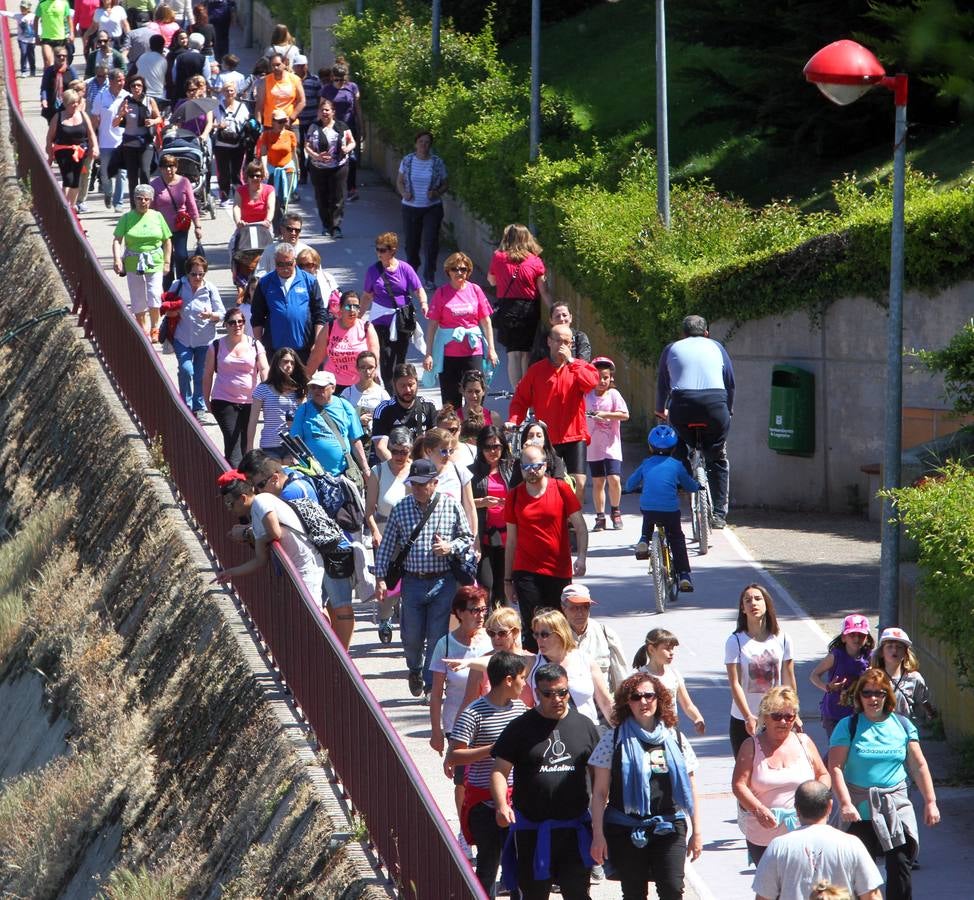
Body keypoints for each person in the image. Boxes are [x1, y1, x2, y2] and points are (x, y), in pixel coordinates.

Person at [490, 662, 600, 900]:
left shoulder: (585, 726)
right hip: (533, 830)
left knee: (578, 894)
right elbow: (499, 770)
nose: (557, 698)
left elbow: (598, 774)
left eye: (562, 692)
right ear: (537, 693)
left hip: (574, 829)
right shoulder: (520, 727)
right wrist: (501, 805)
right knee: (533, 896)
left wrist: (600, 815)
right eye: (548, 694)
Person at [589, 671, 702, 900]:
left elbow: (691, 787)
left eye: (649, 696)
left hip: (670, 826)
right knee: (633, 893)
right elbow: (600, 793)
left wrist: (697, 832)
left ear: (659, 698)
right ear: (626, 702)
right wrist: (598, 835)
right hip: (626, 828)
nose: (643, 702)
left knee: (672, 889)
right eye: (635, 697)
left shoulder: (675, 738)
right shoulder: (612, 739)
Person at [828, 669, 940, 900]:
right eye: (867, 693)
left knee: (900, 864)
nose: (873, 699)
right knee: (859, 872)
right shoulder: (847, 726)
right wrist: (846, 803)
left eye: (879, 693)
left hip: (894, 805)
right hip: (858, 809)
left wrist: (931, 802)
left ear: (887, 696)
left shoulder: (902, 725)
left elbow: (919, 766)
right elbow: (836, 767)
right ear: (859, 697)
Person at [374, 458, 474, 700]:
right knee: (411, 635)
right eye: (414, 484)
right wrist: (380, 579)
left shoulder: (451, 506)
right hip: (413, 582)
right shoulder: (401, 508)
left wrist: (449, 547)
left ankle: (431, 685)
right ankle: (415, 669)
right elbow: (387, 546)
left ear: (434, 483)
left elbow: (467, 538)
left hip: (443, 581)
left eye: (422, 484)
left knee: (437, 634)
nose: (418, 489)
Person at [448, 650, 529, 897]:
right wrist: (493, 750)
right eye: (522, 678)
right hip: (485, 805)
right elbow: (454, 755)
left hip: (518, 801)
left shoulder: (520, 709)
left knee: (519, 867)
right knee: (488, 867)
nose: (524, 684)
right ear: (508, 680)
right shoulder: (474, 713)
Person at [732, 686, 830, 865]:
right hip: (764, 835)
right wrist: (758, 809)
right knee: (773, 890)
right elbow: (739, 785)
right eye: (777, 716)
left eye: (789, 716)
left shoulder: (804, 742)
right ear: (765, 717)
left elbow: (823, 774)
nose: (783, 722)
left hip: (804, 831)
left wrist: (818, 796)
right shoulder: (750, 746)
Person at [429, 586, 493, 859]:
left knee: (488, 777)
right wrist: (435, 732)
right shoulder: (445, 644)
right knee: (462, 782)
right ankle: (465, 832)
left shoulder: (491, 642)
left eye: (483, 610)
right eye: (473, 610)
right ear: (458, 613)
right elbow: (435, 694)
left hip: (488, 719)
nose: (480, 616)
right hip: (457, 722)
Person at [655, 313, 735, 528]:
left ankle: (680, 480)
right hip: (716, 407)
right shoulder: (717, 347)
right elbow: (730, 383)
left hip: (682, 406)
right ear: (706, 333)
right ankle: (719, 515)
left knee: (679, 440)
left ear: (683, 334)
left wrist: (659, 409)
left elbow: (663, 383)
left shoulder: (672, 348)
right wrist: (729, 409)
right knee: (717, 459)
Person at [504, 443, 587, 650]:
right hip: (526, 571)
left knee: (558, 626)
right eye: (525, 467)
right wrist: (508, 579)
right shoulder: (514, 496)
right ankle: (534, 676)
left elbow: (580, 525)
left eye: (535, 466)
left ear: (545, 465)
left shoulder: (560, 488)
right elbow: (511, 541)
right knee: (533, 627)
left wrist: (582, 557)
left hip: (557, 570)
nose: (531, 471)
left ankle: (558, 672)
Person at [214, 471, 327, 621]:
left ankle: (327, 642)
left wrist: (259, 540)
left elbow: (275, 533)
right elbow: (261, 560)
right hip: (298, 566)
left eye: (230, 503)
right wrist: (231, 572)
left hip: (306, 565)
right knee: (310, 614)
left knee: (312, 616)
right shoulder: (255, 515)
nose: (229, 509)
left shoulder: (262, 501)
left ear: (242, 498)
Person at [508, 323, 599, 506]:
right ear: (549, 342)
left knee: (578, 483)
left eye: (567, 342)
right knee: (549, 482)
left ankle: (574, 524)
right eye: (559, 341)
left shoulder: (579, 367)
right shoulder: (537, 370)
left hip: (574, 435)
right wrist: (513, 421)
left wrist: (571, 362)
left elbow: (591, 384)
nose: (563, 346)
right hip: (547, 437)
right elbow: (520, 400)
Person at [752, 780, 882, 900]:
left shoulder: (779, 846)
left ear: (797, 809)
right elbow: (872, 895)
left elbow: (763, 896)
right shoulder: (851, 844)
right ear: (830, 806)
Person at [725, 583, 799, 758]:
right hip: (744, 717)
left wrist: (794, 712)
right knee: (747, 772)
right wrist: (747, 716)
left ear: (767, 604)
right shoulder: (735, 641)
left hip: (776, 715)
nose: (753, 604)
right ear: (742, 608)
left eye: (758, 599)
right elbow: (735, 683)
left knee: (776, 766)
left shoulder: (782, 638)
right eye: (748, 600)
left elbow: (788, 677)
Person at [625, 424, 698, 592]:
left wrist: (627, 490)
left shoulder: (646, 464)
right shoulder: (677, 465)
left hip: (649, 508)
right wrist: (697, 487)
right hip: (670, 511)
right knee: (677, 538)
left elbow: (630, 483)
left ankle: (644, 539)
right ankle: (685, 575)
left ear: (650, 446)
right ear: (674, 447)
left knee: (648, 513)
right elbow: (689, 484)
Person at [423, 251, 498, 409]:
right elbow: (432, 325)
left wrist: (491, 348)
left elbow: (486, 321)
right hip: (449, 354)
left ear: (468, 271)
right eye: (455, 269)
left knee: (476, 396)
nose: (459, 272)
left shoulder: (475, 290)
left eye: (463, 269)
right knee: (451, 402)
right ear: (448, 271)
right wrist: (428, 353)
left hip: (473, 351)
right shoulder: (441, 293)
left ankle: (475, 429)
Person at [488, 223, 553, 387]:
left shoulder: (499, 257)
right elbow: (543, 290)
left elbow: (492, 280)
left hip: (507, 308)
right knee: (526, 353)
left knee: (513, 354)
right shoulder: (536, 261)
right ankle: (526, 390)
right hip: (529, 308)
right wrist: (554, 310)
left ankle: (516, 395)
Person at [362, 231, 428, 391]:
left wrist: (424, 304)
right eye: (377, 249)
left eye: (383, 250)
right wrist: (358, 317)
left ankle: (400, 390)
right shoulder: (373, 271)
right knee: (385, 358)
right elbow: (367, 296)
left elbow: (418, 289)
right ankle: (391, 393)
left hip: (402, 320)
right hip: (380, 321)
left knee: (400, 358)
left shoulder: (405, 269)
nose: (379, 253)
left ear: (392, 250)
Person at [202, 307, 268, 465]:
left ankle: (242, 481)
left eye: (240, 322)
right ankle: (236, 485)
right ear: (225, 325)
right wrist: (206, 400)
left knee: (246, 444)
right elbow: (208, 374)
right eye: (232, 322)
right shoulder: (216, 346)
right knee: (233, 443)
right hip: (223, 400)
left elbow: (264, 368)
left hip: (250, 402)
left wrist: (266, 392)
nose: (237, 325)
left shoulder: (255, 345)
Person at [164, 254, 224, 422]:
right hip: (182, 338)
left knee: (200, 375)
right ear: (187, 274)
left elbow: (222, 313)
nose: (197, 278)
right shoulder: (178, 285)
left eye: (201, 274)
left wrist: (210, 315)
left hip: (205, 340)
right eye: (193, 274)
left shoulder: (210, 289)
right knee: (186, 370)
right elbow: (166, 306)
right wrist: (171, 311)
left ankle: (199, 407)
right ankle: (185, 405)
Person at [250, 242, 327, 365]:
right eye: (281, 264)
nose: (285, 268)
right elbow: (257, 317)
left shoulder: (309, 281)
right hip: (274, 350)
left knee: (302, 384)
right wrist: (259, 347)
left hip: (304, 349)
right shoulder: (265, 282)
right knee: (277, 384)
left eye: (289, 264)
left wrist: (317, 343)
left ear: (295, 261)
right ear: (275, 262)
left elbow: (320, 314)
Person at [112, 182, 171, 337]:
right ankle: (142, 329)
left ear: (151, 201)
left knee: (154, 293)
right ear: (134, 200)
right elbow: (117, 239)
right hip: (133, 262)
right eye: (139, 198)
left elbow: (167, 241)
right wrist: (118, 259)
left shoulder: (157, 216)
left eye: (146, 199)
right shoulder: (126, 218)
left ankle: (155, 327)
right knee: (137, 296)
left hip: (155, 261)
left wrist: (167, 262)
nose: (143, 202)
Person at [290, 370, 369, 479]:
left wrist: (365, 469)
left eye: (321, 387)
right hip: (313, 475)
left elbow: (355, 441)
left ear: (333, 388)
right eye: (313, 387)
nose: (317, 391)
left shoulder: (345, 406)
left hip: (343, 474)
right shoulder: (303, 410)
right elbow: (295, 441)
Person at [397, 130, 447, 291]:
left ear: (430, 145)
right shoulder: (408, 161)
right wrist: (404, 193)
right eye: (421, 142)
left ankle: (429, 277)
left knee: (431, 241)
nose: (424, 145)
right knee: (412, 244)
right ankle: (412, 273)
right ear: (416, 144)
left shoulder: (437, 162)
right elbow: (400, 181)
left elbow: (446, 183)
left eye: (427, 143)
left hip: (432, 207)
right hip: (411, 207)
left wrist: (437, 192)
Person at [469, 425, 513, 607]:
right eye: (487, 447)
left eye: (496, 446)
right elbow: (463, 503)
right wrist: (482, 502)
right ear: (481, 448)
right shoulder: (471, 472)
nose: (492, 451)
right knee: (486, 586)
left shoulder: (513, 468)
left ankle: (503, 627)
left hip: (509, 537)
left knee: (505, 586)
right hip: (484, 536)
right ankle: (486, 625)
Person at [632, 628, 706, 735]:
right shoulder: (640, 677)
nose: (671, 653)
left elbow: (688, 705)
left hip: (671, 731)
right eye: (666, 649)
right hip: (649, 733)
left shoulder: (674, 675)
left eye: (672, 649)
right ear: (652, 649)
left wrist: (698, 718)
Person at [810, 614, 874, 738]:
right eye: (852, 635)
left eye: (861, 635)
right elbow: (814, 675)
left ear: (867, 638)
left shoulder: (869, 657)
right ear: (844, 637)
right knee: (837, 747)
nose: (856, 639)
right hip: (834, 712)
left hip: (859, 712)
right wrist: (827, 687)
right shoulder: (836, 656)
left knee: (854, 748)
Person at [560, 583, 628, 697]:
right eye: (574, 608)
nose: (580, 613)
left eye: (585, 607)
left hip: (601, 705)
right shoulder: (554, 636)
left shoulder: (605, 633)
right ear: (563, 608)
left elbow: (620, 675)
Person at [585, 356, 629, 531]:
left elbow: (625, 415)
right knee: (598, 482)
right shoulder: (586, 396)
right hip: (593, 447)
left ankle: (616, 511)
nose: (602, 381)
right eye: (598, 377)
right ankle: (600, 517)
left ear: (611, 378)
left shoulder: (614, 395)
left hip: (612, 446)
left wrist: (604, 415)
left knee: (614, 479)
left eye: (605, 377)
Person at [151, 153, 203, 290]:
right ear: (160, 169)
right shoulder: (155, 185)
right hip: (162, 230)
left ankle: (182, 286)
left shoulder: (184, 182)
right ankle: (168, 291)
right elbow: (151, 209)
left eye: (171, 166)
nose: (168, 169)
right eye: (165, 167)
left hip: (181, 226)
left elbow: (192, 205)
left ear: (176, 167)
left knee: (181, 256)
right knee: (167, 259)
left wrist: (198, 226)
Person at [305, 98, 355, 238]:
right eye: (322, 110)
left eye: (327, 110)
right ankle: (326, 225)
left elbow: (352, 142)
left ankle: (336, 226)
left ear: (333, 112)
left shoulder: (342, 126)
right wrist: (316, 156)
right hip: (318, 167)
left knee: (337, 197)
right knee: (322, 197)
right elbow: (307, 145)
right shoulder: (314, 126)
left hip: (339, 166)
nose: (325, 112)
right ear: (319, 112)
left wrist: (346, 148)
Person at [247, 346, 307, 457]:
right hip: (270, 444)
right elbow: (253, 421)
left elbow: (304, 418)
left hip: (294, 446)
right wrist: (249, 447)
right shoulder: (263, 389)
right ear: (277, 363)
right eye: (285, 362)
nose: (289, 366)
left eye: (292, 363)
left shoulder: (299, 390)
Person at [870, 626, 936, 726]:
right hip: (877, 729)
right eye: (889, 646)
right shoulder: (871, 677)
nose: (894, 650)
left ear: (905, 653)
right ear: (881, 652)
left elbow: (923, 700)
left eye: (899, 647)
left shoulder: (914, 678)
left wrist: (931, 713)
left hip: (904, 729)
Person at [45, 88, 98, 212]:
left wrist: (94, 147)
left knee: (75, 179)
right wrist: (50, 154)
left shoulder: (83, 115)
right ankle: (64, 206)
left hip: (80, 152)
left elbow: (91, 134)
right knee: (67, 177)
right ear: (65, 104)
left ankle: (71, 206)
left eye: (76, 102)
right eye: (71, 103)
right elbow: (49, 137)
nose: (74, 105)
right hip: (63, 151)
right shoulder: (58, 117)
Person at [371, 363, 438, 460]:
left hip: (422, 463)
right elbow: (380, 448)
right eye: (402, 386)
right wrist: (402, 468)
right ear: (394, 385)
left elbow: (435, 443)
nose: (407, 390)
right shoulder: (384, 410)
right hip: (394, 463)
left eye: (411, 385)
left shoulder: (429, 406)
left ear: (417, 383)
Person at [316, 292, 380, 393]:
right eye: (348, 306)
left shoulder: (366, 327)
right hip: (333, 384)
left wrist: (373, 375)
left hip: (359, 385)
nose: (352, 310)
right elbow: (316, 356)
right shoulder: (330, 327)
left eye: (356, 307)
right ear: (340, 308)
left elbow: (374, 356)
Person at [89, 66, 128, 210]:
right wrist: (92, 138)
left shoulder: (127, 97)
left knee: (121, 173)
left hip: (122, 141)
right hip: (105, 142)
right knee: (105, 174)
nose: (122, 82)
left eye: (123, 80)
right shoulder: (101, 96)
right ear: (110, 81)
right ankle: (108, 193)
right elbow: (94, 118)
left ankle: (118, 203)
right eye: (118, 80)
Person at [321, 58, 360, 198]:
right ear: (332, 78)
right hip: (332, 128)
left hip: (349, 127)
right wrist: (319, 126)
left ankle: (352, 188)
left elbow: (357, 108)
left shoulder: (352, 88)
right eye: (336, 80)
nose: (339, 83)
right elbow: (322, 109)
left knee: (352, 159)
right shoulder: (327, 89)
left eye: (342, 80)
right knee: (333, 158)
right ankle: (332, 187)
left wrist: (361, 126)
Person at [257, 108, 298, 235]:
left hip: (288, 170)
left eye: (284, 121)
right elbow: (263, 153)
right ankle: (277, 229)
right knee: (274, 201)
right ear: (273, 122)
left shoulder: (291, 135)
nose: (282, 124)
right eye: (279, 121)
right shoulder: (267, 135)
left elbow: (294, 154)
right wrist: (264, 168)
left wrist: (298, 169)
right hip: (272, 170)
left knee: (284, 201)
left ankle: (285, 229)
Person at [118, 75, 160, 197]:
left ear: (143, 87)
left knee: (145, 173)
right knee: (132, 177)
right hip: (129, 143)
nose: (136, 88)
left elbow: (159, 118)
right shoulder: (126, 101)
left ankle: (147, 202)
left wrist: (152, 121)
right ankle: (134, 207)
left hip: (145, 142)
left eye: (139, 85)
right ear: (129, 88)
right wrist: (121, 114)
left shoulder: (149, 100)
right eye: (133, 86)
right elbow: (115, 123)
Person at [344, 350, 389, 453]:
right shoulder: (348, 393)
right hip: (354, 443)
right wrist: (357, 420)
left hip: (376, 442)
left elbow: (389, 419)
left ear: (375, 368)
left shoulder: (382, 393)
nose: (367, 372)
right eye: (363, 368)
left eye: (370, 368)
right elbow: (340, 419)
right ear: (357, 369)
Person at [212, 80, 249, 206]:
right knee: (223, 172)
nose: (229, 93)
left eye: (231, 90)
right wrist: (218, 125)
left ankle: (239, 195)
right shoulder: (217, 106)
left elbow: (246, 123)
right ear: (222, 92)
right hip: (221, 144)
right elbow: (209, 124)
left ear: (235, 92)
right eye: (226, 90)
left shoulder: (242, 106)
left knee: (236, 172)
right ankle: (224, 195)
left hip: (237, 144)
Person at [530, 302, 592, 366]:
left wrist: (569, 359)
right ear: (551, 320)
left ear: (570, 318)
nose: (561, 319)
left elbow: (584, 365)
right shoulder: (544, 339)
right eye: (557, 316)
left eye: (564, 315)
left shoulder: (580, 337)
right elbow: (534, 364)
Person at [255, 211, 311, 279]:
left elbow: (317, 277)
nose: (293, 233)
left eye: (297, 230)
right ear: (281, 229)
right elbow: (260, 273)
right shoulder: (270, 250)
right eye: (290, 229)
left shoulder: (308, 252)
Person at [256, 51, 305, 127]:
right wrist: (258, 125)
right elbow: (259, 106)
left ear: (284, 64)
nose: (275, 68)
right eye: (273, 65)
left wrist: (291, 118)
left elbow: (302, 101)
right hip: (270, 124)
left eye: (278, 65)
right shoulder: (264, 81)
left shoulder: (295, 79)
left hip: (290, 123)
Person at [233, 161, 276, 233]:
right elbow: (236, 207)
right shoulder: (240, 191)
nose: (255, 178)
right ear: (247, 176)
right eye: (252, 176)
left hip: (264, 227)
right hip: (244, 227)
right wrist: (238, 222)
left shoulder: (269, 190)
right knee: (233, 243)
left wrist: (268, 221)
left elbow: (270, 208)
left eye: (257, 175)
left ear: (262, 176)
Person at [39, 45, 78, 122]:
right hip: (52, 106)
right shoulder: (49, 71)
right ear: (54, 57)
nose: (61, 58)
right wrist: (44, 99)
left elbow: (77, 86)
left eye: (64, 56)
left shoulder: (71, 70)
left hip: (67, 106)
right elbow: (44, 87)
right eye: (59, 56)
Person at [132, 33, 167, 108]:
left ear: (150, 46)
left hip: (142, 96)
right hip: (159, 96)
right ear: (162, 47)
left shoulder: (141, 57)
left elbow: (131, 75)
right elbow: (169, 80)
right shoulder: (164, 60)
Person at [34, 0, 73, 68]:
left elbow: (69, 19)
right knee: (48, 62)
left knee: (60, 63)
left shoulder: (64, 3)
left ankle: (58, 77)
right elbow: (36, 20)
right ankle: (48, 77)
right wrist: (36, 35)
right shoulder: (42, 4)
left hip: (60, 38)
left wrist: (71, 33)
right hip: (46, 38)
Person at [5, 1, 37, 79]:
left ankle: (33, 69)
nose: (22, 9)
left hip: (31, 40)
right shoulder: (18, 16)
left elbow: (39, 24)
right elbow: (8, 14)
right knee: (23, 53)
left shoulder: (33, 16)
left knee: (31, 55)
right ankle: (24, 71)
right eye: (21, 8)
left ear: (28, 8)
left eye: (24, 8)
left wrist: (38, 36)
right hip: (22, 40)